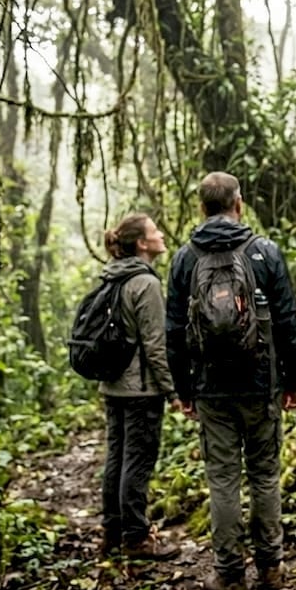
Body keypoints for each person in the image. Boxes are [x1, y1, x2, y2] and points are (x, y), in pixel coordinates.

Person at [166, 172, 296, 590]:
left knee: (222, 479)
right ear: (238, 204)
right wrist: (292, 382)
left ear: (202, 208)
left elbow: (172, 331)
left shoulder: (185, 259)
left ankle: (229, 574)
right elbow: (288, 324)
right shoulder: (265, 253)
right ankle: (271, 570)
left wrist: (183, 388)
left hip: (210, 388)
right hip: (262, 385)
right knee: (264, 475)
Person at [97, 213, 180, 561]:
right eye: (154, 231)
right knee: (138, 460)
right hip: (140, 389)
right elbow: (154, 345)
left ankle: (112, 532)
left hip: (113, 384)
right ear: (142, 244)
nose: (161, 235)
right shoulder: (145, 283)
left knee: (116, 457)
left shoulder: (109, 277)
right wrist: (172, 390)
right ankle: (136, 537)